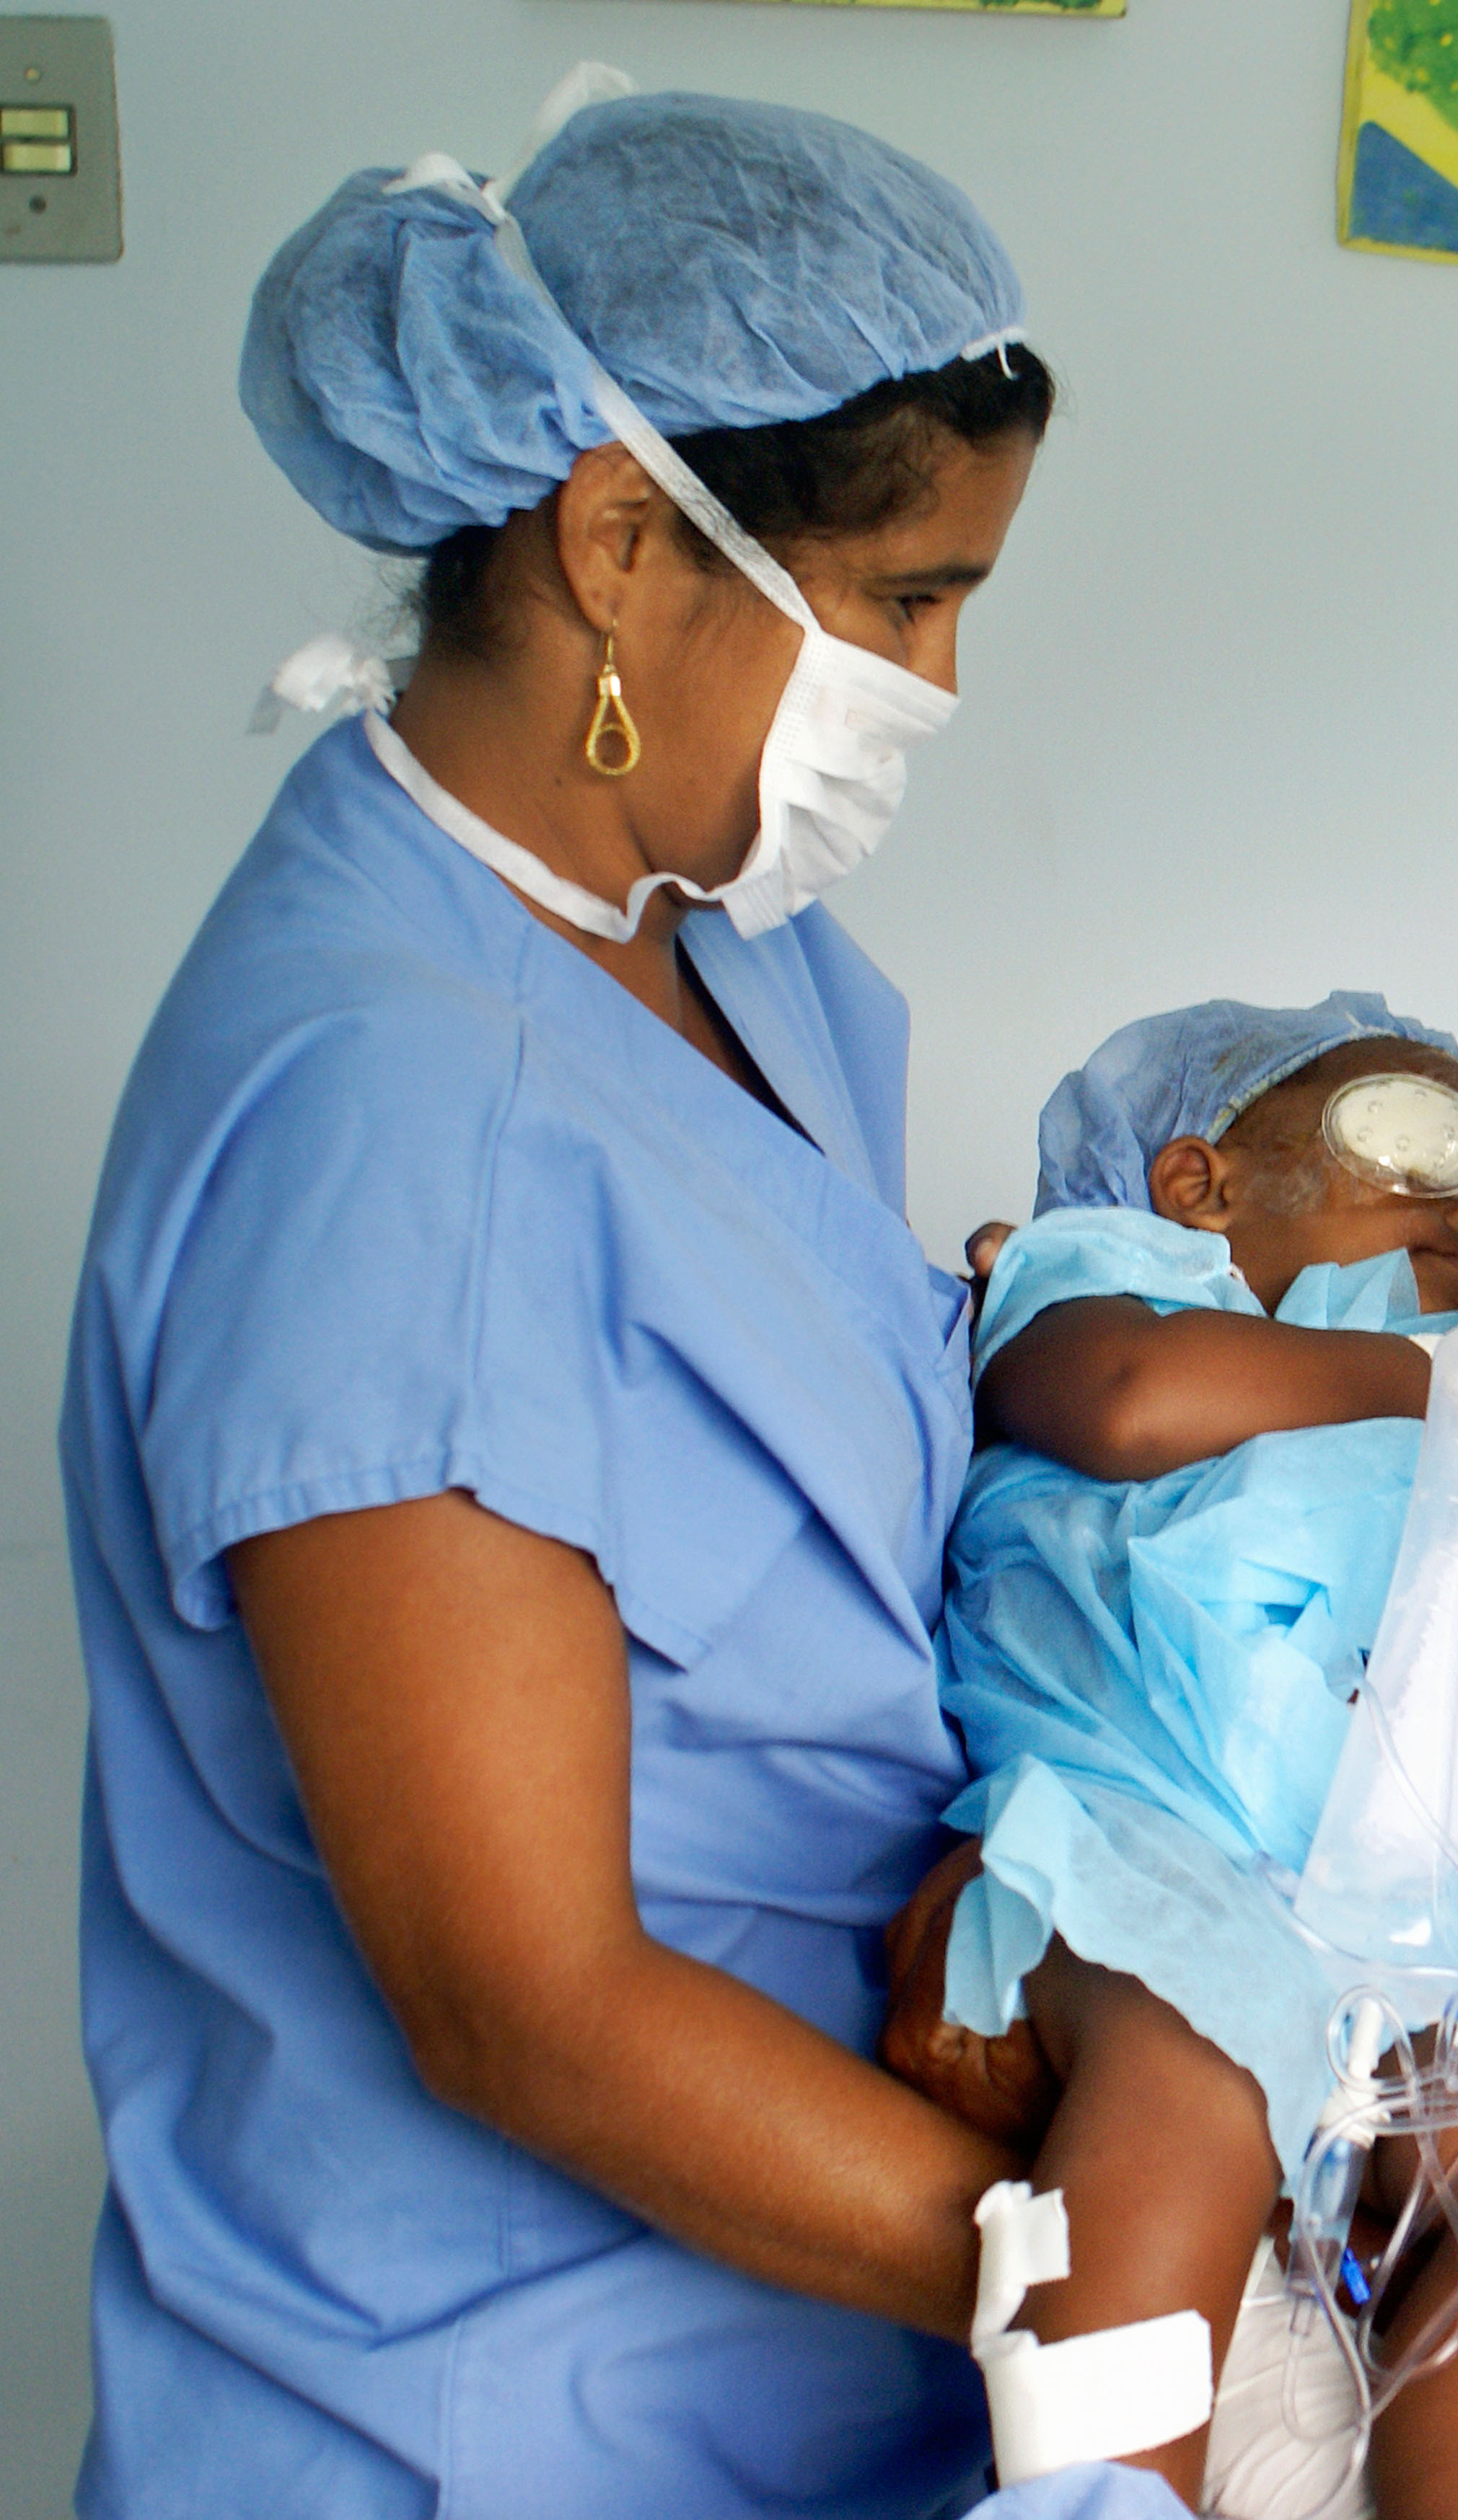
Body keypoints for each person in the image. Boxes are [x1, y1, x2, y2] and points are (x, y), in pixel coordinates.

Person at [64, 74, 1053, 2516]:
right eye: (911, 598)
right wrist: (1139, 2281)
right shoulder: (388, 1125)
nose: (939, 679)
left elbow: (781, 1486)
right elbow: (532, 2006)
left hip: (818, 2357)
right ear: (623, 539)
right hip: (491, 2414)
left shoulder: (720, 948)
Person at [886, 998, 1458, 2519]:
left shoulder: (1457, 1396)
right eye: (1420, 1141)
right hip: (1131, 1827)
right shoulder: (1115, 1284)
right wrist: (1456, 1389)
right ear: (1198, 1180)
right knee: (1191, 2066)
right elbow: (1129, 1409)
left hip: (1399, 1857)